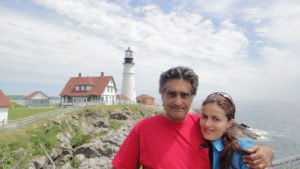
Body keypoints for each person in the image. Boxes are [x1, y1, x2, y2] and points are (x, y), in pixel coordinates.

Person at [112, 66, 273, 169]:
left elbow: (237, 142)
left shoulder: (204, 125)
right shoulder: (143, 128)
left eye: (184, 95)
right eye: (171, 94)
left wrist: (266, 151)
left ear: (192, 97)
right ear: (161, 95)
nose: (177, 102)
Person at [200, 92, 270, 169]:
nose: (207, 124)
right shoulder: (198, 138)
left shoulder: (242, 148)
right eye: (204, 117)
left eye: (216, 119)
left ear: (229, 123)